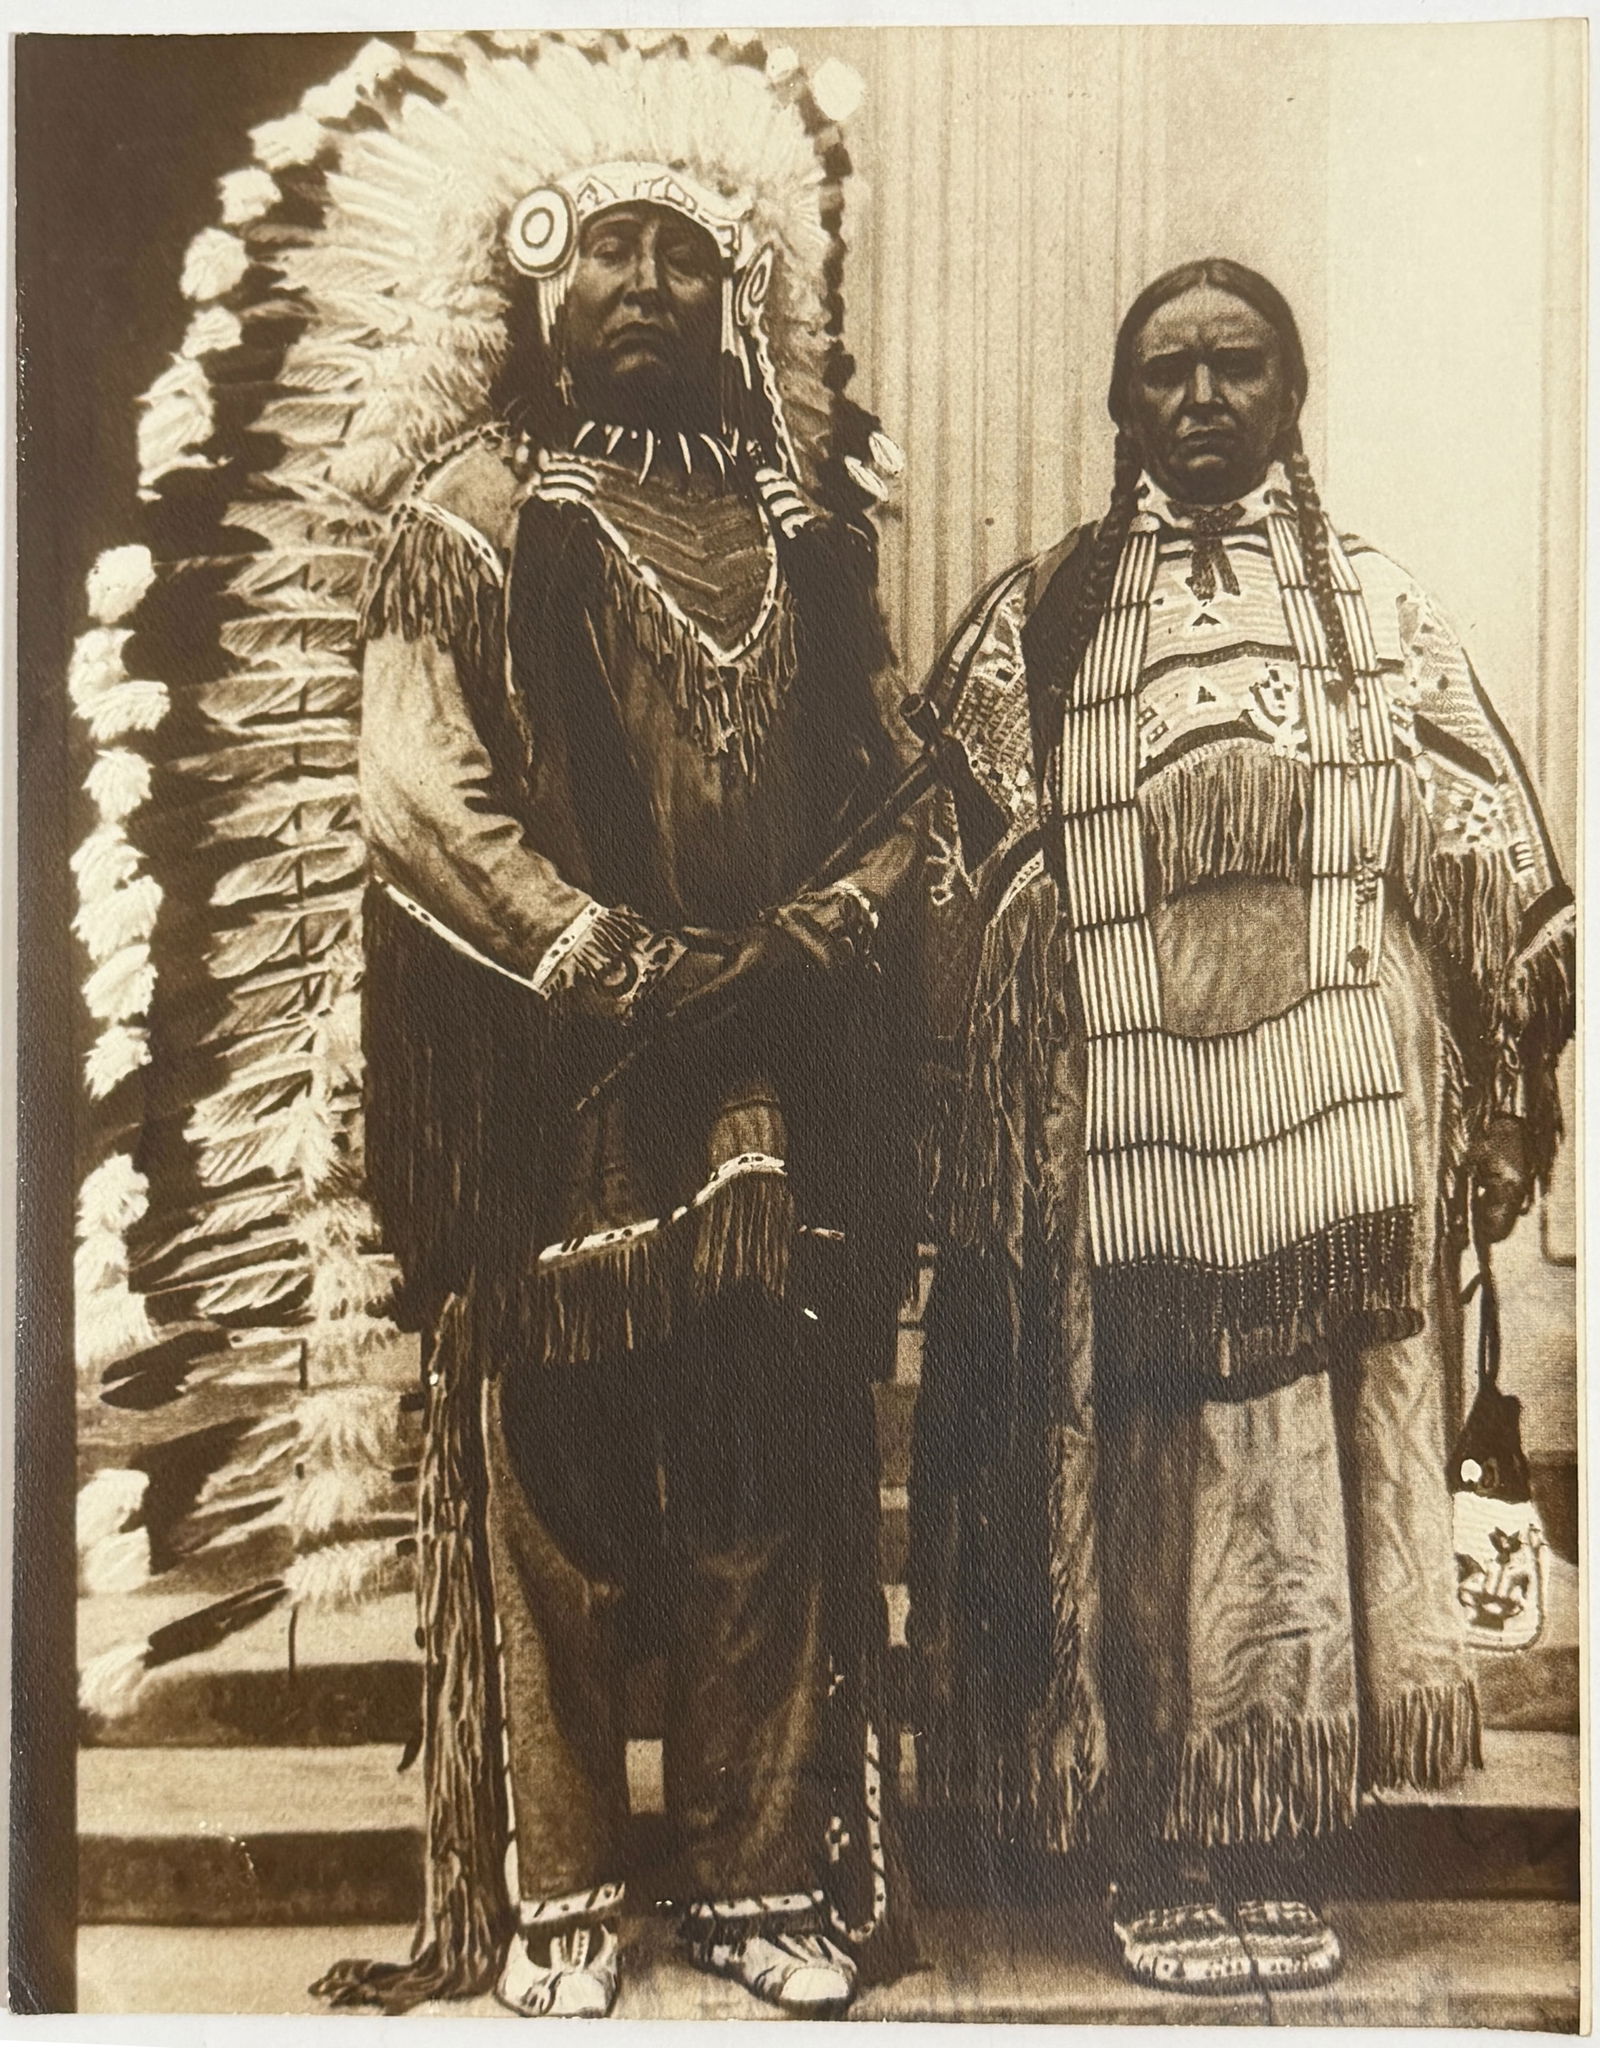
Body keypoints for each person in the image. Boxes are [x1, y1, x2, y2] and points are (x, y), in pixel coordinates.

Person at [309, 42, 920, 2020]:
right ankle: (561, 1889)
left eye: (683, 256)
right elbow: (419, 791)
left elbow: (900, 781)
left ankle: (751, 1883)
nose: (644, 287)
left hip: (767, 1092)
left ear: (735, 301)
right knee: (560, 1496)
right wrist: (599, 952)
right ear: (535, 292)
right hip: (560, 1089)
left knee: (753, 1480)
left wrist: (835, 914)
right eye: (606, 256)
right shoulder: (467, 514)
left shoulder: (810, 537)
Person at [907, 258, 1573, 1994]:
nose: (1203, 399)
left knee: (1286, 1488)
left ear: (1292, 396)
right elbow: (942, 860)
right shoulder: (1042, 617)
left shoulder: (1375, 607)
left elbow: (1502, 857)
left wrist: (1495, 1090)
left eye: (1239, 368)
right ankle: (1146, 1836)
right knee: (1131, 1474)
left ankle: (1270, 1822)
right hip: (1113, 1140)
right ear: (1121, 411)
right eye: (1168, 374)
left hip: (1326, 1137)